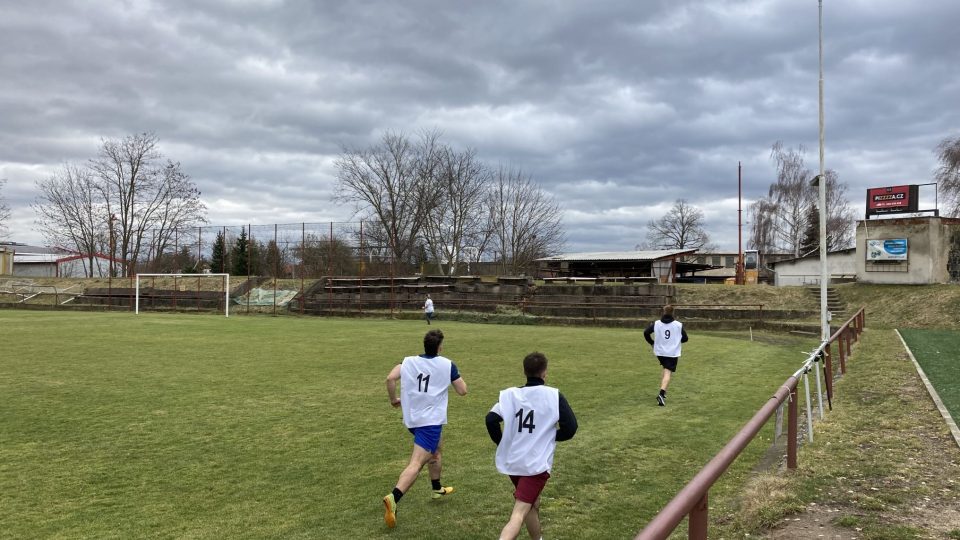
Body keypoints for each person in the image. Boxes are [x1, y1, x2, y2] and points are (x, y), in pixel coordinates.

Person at [485, 352, 578, 540]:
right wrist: (548, 436)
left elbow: (491, 420)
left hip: (514, 462)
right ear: (545, 373)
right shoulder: (553, 396)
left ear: (524, 371)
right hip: (534, 466)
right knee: (518, 514)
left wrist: (503, 443)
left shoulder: (510, 395)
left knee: (531, 504)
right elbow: (570, 428)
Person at [383, 329, 467, 529]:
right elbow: (463, 391)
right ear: (439, 347)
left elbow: (390, 379)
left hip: (412, 419)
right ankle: (393, 498)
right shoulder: (447, 364)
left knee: (437, 450)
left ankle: (436, 488)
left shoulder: (409, 361)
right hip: (429, 422)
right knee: (417, 463)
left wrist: (394, 399)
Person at [643, 304, 689, 406]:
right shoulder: (678, 325)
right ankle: (661, 393)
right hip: (672, 352)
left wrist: (652, 342)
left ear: (663, 312)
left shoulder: (657, 323)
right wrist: (676, 339)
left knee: (665, 369)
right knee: (668, 372)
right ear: (673, 312)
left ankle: (663, 391)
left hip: (659, 352)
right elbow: (685, 339)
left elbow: (646, 333)